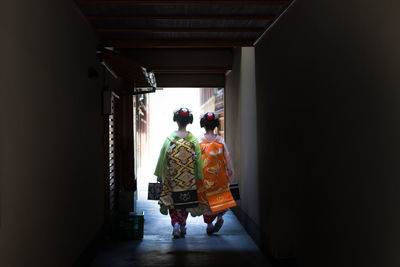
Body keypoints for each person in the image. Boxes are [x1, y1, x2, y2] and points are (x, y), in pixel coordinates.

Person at [154, 107, 204, 238]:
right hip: (189, 178)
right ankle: (182, 225)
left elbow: (162, 159)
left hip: (173, 178)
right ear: (189, 121)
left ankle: (175, 224)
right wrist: (199, 177)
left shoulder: (170, 139)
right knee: (186, 203)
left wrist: (160, 175)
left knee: (173, 202)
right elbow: (198, 161)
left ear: (176, 120)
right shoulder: (193, 140)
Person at [197, 112, 235, 235]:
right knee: (220, 200)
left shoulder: (199, 141)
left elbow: (196, 160)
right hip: (219, 177)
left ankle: (209, 225)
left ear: (203, 125)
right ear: (215, 125)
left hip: (205, 178)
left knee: (206, 202)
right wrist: (230, 173)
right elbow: (227, 158)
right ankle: (219, 217)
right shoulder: (220, 140)